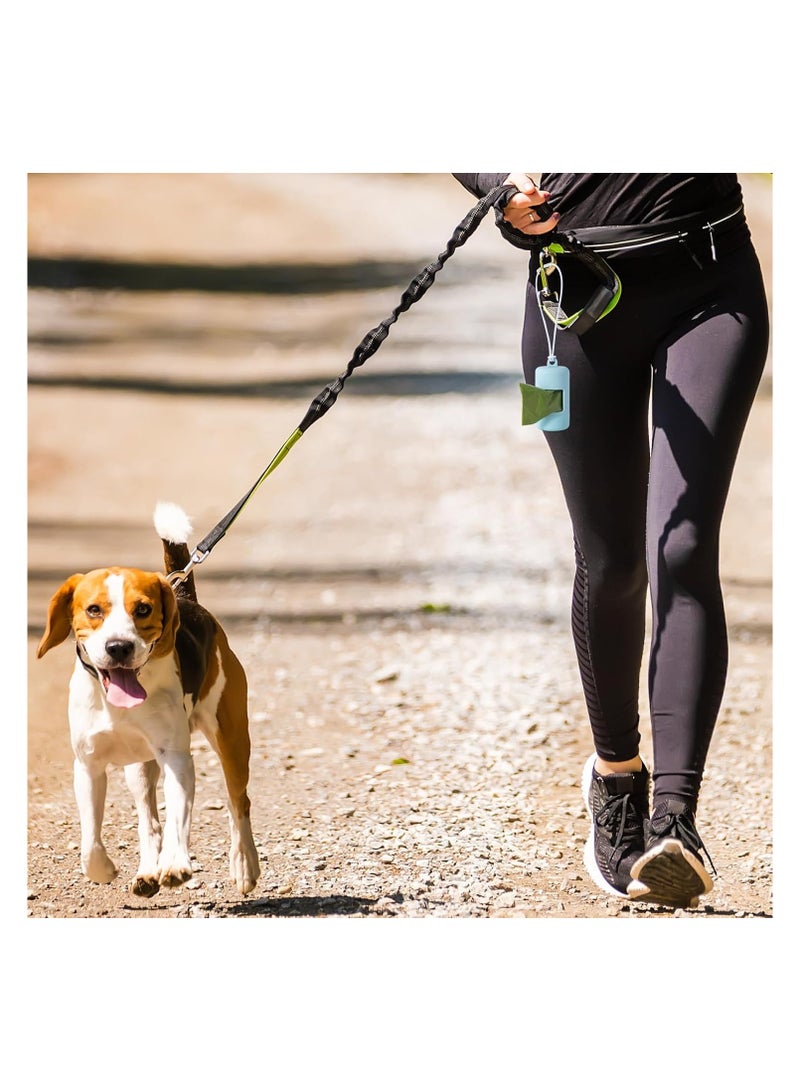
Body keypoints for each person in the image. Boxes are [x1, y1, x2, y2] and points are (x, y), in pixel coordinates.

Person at [453, 173, 770, 909]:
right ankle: (619, 776)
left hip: (710, 280)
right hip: (575, 301)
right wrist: (496, 184)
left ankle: (675, 823)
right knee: (612, 560)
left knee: (683, 546)